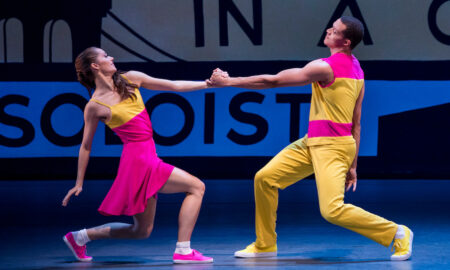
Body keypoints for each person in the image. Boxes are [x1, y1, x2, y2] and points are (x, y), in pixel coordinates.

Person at [208, 16, 413, 261]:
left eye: (334, 30)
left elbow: (272, 81)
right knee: (265, 179)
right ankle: (265, 245)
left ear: (345, 42)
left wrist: (228, 82)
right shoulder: (358, 69)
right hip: (313, 143)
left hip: (333, 147)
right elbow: (356, 124)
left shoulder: (325, 67)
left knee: (332, 211)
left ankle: (397, 233)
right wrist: (354, 163)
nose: (328, 30)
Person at [62, 47, 213, 264]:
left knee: (141, 230)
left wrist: (208, 83)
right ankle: (183, 250)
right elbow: (85, 147)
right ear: (95, 66)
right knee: (197, 187)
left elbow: (174, 86)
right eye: (105, 56)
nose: (111, 57)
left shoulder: (131, 79)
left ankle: (80, 236)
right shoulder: (94, 106)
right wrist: (78, 183)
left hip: (144, 156)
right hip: (139, 160)